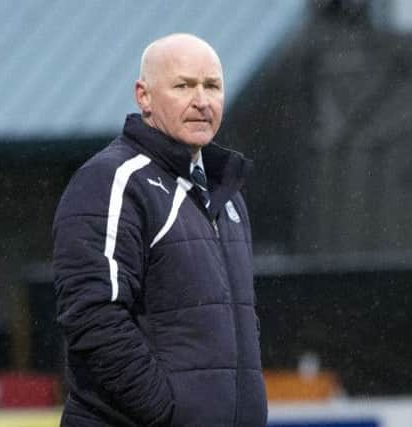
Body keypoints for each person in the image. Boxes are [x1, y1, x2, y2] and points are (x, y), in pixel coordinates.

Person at [52, 33, 267, 426]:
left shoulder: (228, 196)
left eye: (212, 86)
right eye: (183, 85)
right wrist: (167, 414)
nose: (201, 101)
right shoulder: (112, 180)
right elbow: (93, 316)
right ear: (144, 96)